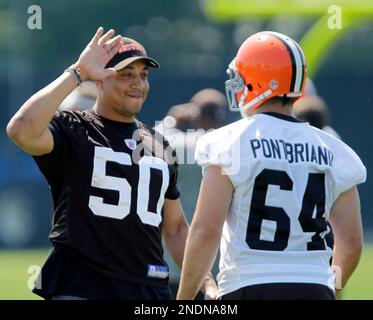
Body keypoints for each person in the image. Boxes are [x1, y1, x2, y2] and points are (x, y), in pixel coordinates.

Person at [7, 27, 216, 300]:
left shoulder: (160, 145)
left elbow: (176, 228)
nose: (138, 84)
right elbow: (21, 129)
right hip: (83, 288)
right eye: (126, 75)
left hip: (147, 292)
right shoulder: (75, 129)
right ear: (101, 79)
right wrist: (78, 72)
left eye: (143, 76)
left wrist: (207, 284)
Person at [176, 31, 366, 300]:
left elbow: (206, 230)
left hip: (248, 285)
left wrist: (184, 300)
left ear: (258, 82)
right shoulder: (336, 151)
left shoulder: (227, 142)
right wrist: (329, 287)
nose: (237, 85)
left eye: (241, 78)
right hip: (313, 288)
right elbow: (352, 243)